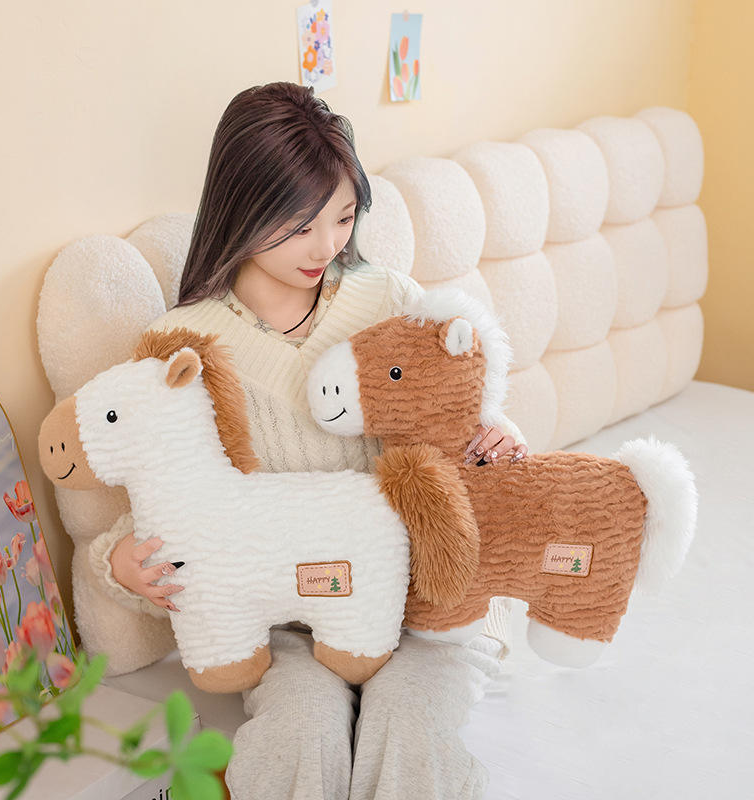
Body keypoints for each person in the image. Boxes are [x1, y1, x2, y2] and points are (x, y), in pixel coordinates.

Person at [92, 81, 527, 800]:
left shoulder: (391, 301)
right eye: (300, 226)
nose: (327, 246)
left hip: (423, 604)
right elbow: (165, 504)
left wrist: (496, 439)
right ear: (241, 209)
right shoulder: (183, 347)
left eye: (344, 218)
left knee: (407, 724)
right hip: (288, 620)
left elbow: (465, 422)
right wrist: (120, 564)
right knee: (300, 731)